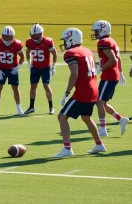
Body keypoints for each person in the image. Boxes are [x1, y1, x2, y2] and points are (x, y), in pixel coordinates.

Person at [52, 28, 106, 158]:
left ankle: (67, 148)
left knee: (62, 117)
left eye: (65, 39)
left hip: (84, 90)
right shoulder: (87, 51)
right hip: (94, 88)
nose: (64, 42)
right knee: (86, 117)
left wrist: (67, 92)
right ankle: (99, 144)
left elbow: (74, 74)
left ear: (71, 38)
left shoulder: (71, 53)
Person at [91, 20, 129, 137]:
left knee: (99, 102)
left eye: (97, 31)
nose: (95, 33)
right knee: (103, 102)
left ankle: (102, 129)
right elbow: (117, 59)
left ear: (103, 30)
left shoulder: (103, 42)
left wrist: (101, 68)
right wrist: (121, 73)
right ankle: (120, 119)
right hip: (112, 74)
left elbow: (113, 59)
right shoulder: (110, 40)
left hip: (109, 75)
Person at [0, 26, 25, 115]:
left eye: (9, 36)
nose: (7, 38)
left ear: (13, 36)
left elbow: (22, 57)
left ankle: (18, 107)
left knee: (15, 88)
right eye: (5, 36)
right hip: (1, 69)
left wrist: (17, 67)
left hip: (12, 69)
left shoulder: (17, 44)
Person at [24, 24, 57, 115]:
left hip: (45, 67)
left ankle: (51, 107)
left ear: (41, 34)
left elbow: (54, 53)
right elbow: (28, 51)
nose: (35, 37)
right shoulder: (29, 42)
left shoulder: (47, 41)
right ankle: (31, 107)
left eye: (37, 35)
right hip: (35, 67)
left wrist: (54, 66)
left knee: (46, 85)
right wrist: (29, 63)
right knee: (33, 87)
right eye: (33, 35)